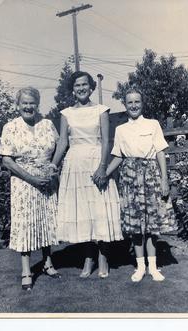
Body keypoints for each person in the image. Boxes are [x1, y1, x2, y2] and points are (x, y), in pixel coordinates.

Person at [49, 71, 122, 278]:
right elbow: (63, 142)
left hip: (95, 161)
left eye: (84, 85)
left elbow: (107, 141)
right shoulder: (66, 113)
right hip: (74, 165)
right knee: (83, 213)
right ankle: (88, 259)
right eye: (76, 85)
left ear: (91, 88)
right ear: (73, 89)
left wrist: (102, 167)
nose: (81, 88)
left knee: (100, 211)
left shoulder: (101, 110)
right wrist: (53, 165)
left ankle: (103, 258)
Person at [106, 86, 177, 282]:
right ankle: (140, 267)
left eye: (137, 101)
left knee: (152, 225)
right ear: (125, 105)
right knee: (136, 226)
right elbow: (118, 156)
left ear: (142, 103)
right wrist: (103, 174)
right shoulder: (120, 129)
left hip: (151, 177)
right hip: (130, 179)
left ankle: (153, 267)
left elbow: (161, 152)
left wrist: (164, 179)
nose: (134, 105)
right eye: (130, 102)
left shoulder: (153, 124)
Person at [0, 87, 61, 291]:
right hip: (23, 183)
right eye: (24, 103)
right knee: (26, 223)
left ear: (37, 104)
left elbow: (61, 148)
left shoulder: (48, 124)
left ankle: (48, 263)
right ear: (18, 105)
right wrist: (32, 178)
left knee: (46, 221)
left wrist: (53, 169)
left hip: (47, 182)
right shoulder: (11, 127)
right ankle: (26, 270)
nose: (28, 106)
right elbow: (7, 160)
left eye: (31, 103)